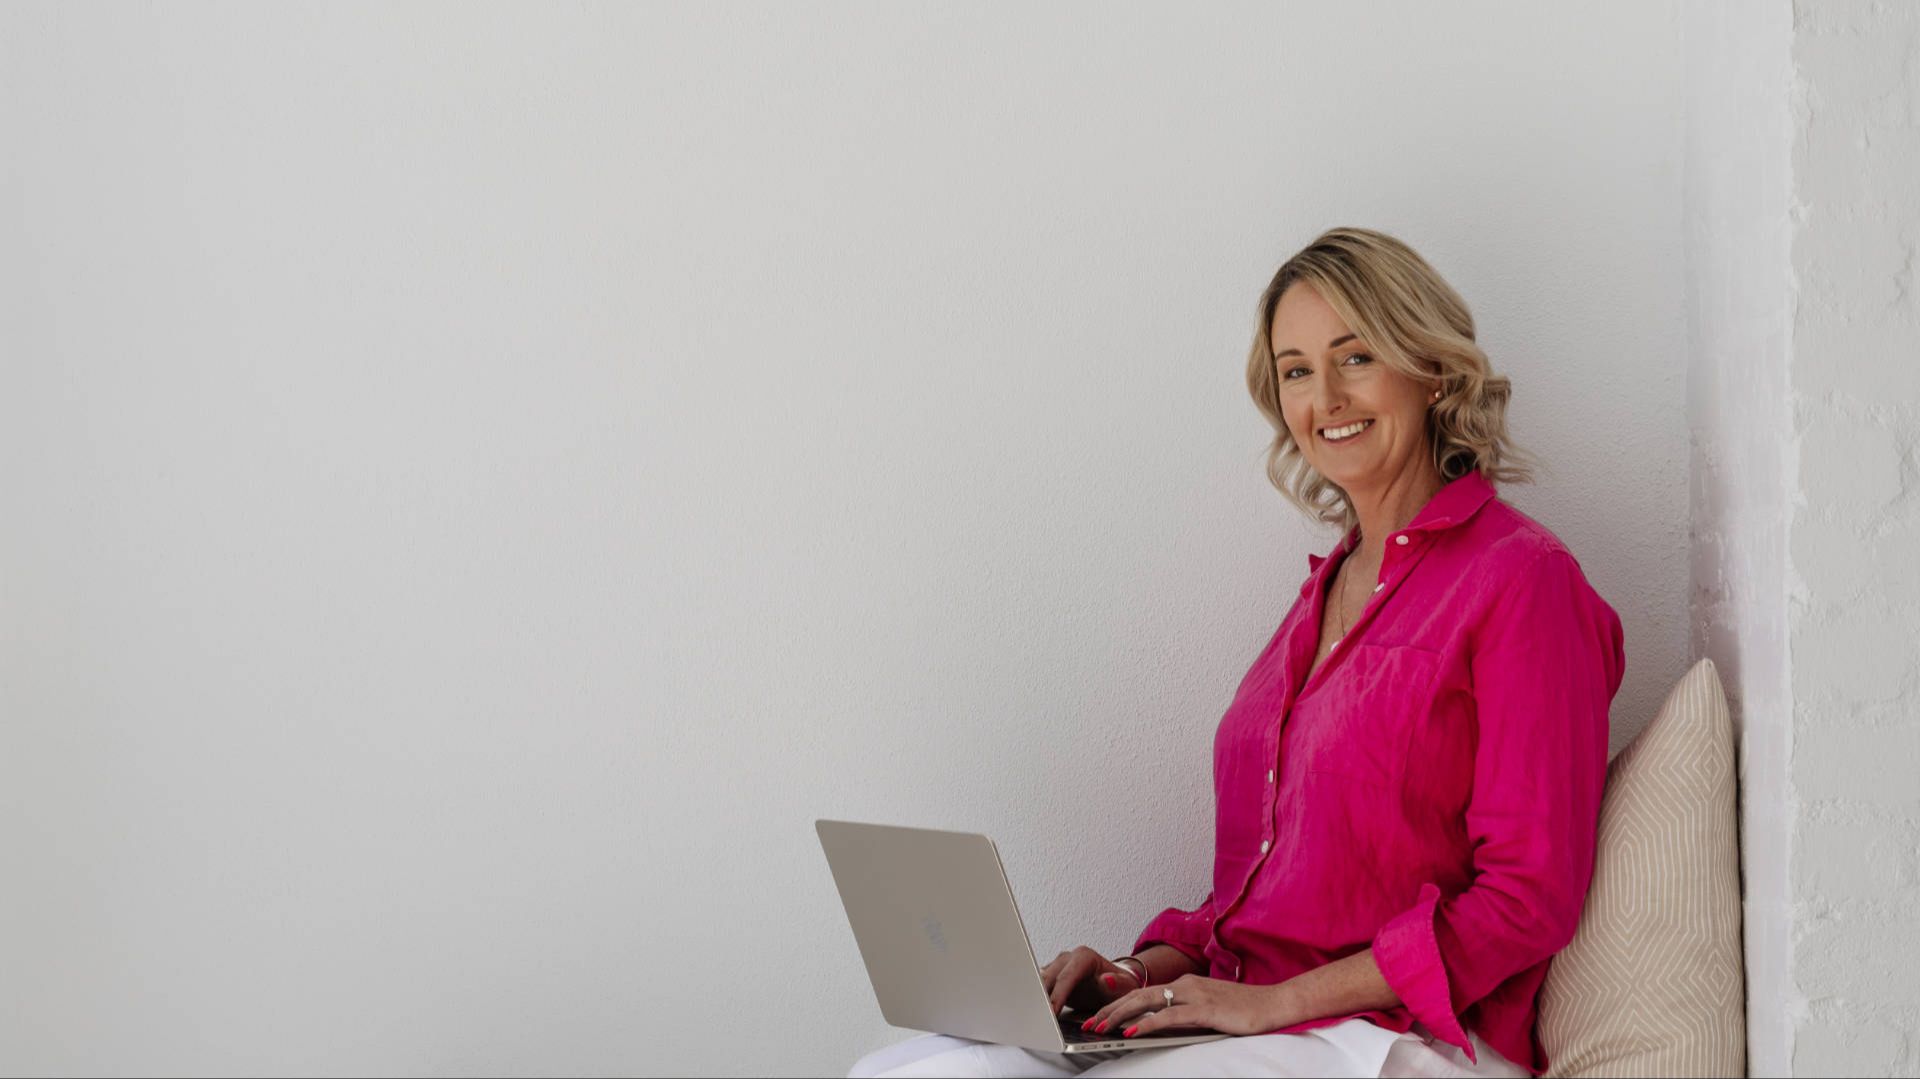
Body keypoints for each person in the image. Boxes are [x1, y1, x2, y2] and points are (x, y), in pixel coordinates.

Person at [848, 227, 1626, 1079]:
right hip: (1253, 1022)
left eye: (1355, 356)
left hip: (1400, 1038)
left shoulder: (1522, 577)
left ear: (1431, 368)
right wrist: (1134, 973)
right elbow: (1256, 900)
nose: (1326, 397)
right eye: (1297, 371)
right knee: (912, 1072)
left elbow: (1527, 900)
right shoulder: (1321, 593)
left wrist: (1274, 1004)